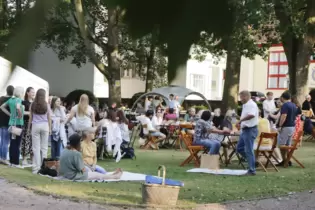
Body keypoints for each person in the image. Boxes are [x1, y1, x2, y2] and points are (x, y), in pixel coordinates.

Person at [0, 86, 25, 167]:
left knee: (12, 142)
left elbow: (2, 107)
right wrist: (20, 113)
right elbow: (18, 109)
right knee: (17, 143)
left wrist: (10, 114)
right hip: (18, 123)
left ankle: (11, 161)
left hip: (11, 123)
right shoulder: (19, 100)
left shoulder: (11, 100)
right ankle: (16, 162)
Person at [28, 89, 51, 173]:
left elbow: (30, 118)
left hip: (35, 125)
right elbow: (49, 118)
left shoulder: (32, 105)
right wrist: (50, 128)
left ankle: (35, 168)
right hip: (45, 126)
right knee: (44, 148)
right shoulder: (47, 105)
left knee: (35, 148)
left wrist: (28, 128)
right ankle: (43, 167)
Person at [236, 90, 259, 176]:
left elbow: (251, 115)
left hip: (250, 130)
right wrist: (240, 121)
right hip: (245, 129)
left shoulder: (251, 104)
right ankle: (252, 161)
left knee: (249, 150)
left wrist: (241, 120)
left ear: (245, 96)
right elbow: (246, 116)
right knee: (239, 148)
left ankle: (252, 170)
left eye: (241, 97)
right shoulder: (245, 105)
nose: (240, 99)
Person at [277, 92, 297, 166]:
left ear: (283, 97)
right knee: (288, 145)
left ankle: (285, 160)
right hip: (292, 126)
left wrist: (280, 126)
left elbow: (284, 116)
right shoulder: (293, 105)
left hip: (286, 127)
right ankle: (288, 160)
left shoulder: (285, 105)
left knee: (282, 145)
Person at [0, 85, 14, 165]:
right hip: (7, 121)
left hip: (0, 121)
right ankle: (4, 158)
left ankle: (1, 156)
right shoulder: (11, 100)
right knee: (5, 141)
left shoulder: (1, 98)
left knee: (2, 141)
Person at [21, 87, 35, 166]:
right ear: (27, 93)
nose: (33, 93)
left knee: (33, 141)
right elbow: (21, 112)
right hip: (26, 123)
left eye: (34, 92)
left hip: (34, 123)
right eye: (32, 92)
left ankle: (32, 158)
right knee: (26, 140)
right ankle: (24, 158)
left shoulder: (34, 102)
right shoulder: (24, 102)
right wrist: (29, 113)